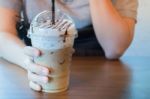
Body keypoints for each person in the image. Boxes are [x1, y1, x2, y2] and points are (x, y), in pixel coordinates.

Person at [0, 0, 138, 91]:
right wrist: (29, 63)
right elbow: (3, 33)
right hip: (39, 77)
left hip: (99, 82)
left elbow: (114, 48)